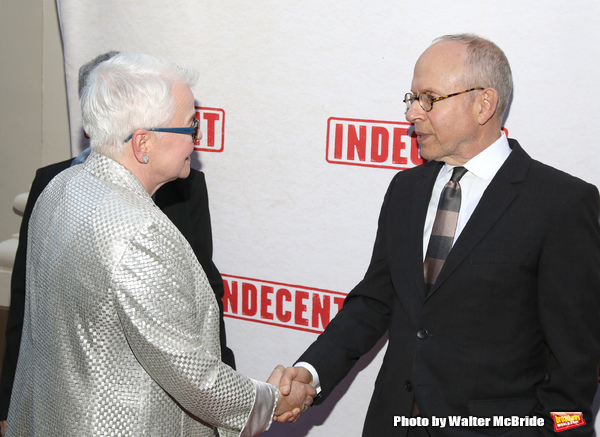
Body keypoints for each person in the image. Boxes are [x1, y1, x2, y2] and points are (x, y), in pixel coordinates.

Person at [279, 34, 600, 436]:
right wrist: (310, 373)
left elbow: (577, 362)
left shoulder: (560, 203)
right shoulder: (406, 190)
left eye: (429, 98)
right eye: (412, 97)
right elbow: (376, 301)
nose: (412, 112)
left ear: (484, 104)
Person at [6, 52, 315, 436]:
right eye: (189, 127)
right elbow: (194, 377)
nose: (196, 140)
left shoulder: (61, 189)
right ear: (143, 144)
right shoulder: (139, 233)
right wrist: (272, 401)